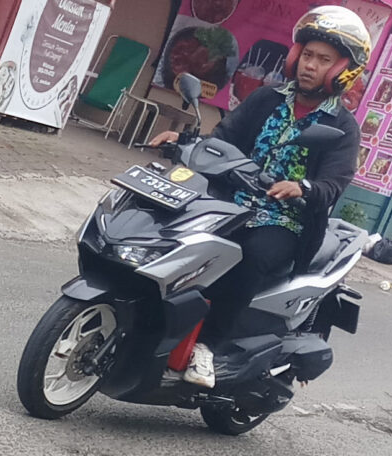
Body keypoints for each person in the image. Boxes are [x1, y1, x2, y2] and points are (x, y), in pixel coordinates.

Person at [150, 5, 369, 387]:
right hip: (230, 201)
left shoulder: (342, 127)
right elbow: (225, 139)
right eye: (307, 55)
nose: (309, 65)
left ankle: (208, 347)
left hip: (287, 221)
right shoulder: (266, 98)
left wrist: (303, 187)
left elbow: (334, 183)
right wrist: (188, 143)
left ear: (341, 70)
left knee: (248, 256)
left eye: (323, 59)